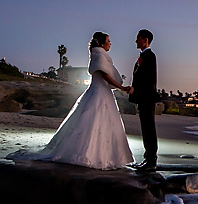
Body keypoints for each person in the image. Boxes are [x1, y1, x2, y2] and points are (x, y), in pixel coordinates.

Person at [8, 32, 133, 170]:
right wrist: (121, 87)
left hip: (102, 92)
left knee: (101, 122)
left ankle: (104, 156)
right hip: (99, 93)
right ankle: (91, 155)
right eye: (108, 41)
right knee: (94, 121)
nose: (110, 43)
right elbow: (104, 75)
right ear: (102, 43)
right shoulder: (99, 55)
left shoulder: (100, 55)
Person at [127, 29, 159, 170]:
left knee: (149, 129)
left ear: (145, 40)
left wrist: (137, 91)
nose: (136, 41)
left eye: (138, 38)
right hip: (143, 98)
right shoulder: (143, 57)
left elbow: (149, 80)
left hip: (147, 98)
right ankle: (148, 159)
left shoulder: (150, 57)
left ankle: (151, 160)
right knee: (146, 129)